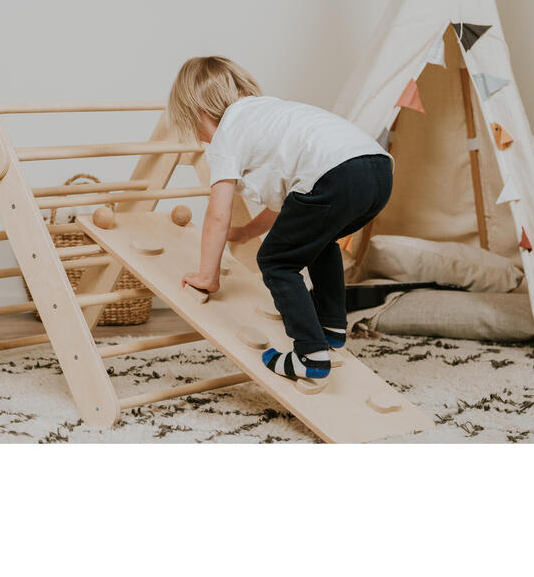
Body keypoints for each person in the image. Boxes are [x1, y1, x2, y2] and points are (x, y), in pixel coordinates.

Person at [168, 56, 393, 383]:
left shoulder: (228, 133)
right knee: (318, 242)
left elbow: (217, 213)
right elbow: (292, 209)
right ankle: (331, 328)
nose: (200, 138)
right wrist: (247, 231)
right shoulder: (272, 117)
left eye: (193, 127)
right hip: (377, 171)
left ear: (199, 113)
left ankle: (310, 355)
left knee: (275, 261)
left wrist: (208, 275)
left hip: (335, 176)